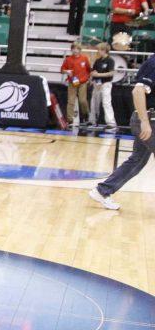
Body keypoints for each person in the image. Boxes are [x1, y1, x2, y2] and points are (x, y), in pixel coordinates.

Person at [89, 54, 155, 211]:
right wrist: (145, 121)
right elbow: (137, 92)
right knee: (137, 161)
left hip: (147, 120)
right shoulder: (153, 64)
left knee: (137, 161)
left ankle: (102, 190)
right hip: (149, 120)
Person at [61, 42, 92, 126]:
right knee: (71, 101)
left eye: (77, 49)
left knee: (82, 100)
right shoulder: (68, 59)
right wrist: (66, 71)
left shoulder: (84, 58)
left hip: (82, 82)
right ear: (71, 50)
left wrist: (89, 78)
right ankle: (70, 120)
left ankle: (86, 116)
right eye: (74, 49)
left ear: (80, 50)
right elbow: (62, 70)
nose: (75, 50)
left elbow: (89, 69)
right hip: (72, 82)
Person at [89, 42, 117, 128]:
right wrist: (93, 79)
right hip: (97, 84)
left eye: (100, 50)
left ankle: (111, 123)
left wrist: (99, 75)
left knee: (106, 102)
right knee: (94, 103)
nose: (98, 51)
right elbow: (93, 72)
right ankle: (92, 120)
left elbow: (111, 73)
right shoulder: (97, 61)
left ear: (105, 50)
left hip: (106, 84)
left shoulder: (110, 60)